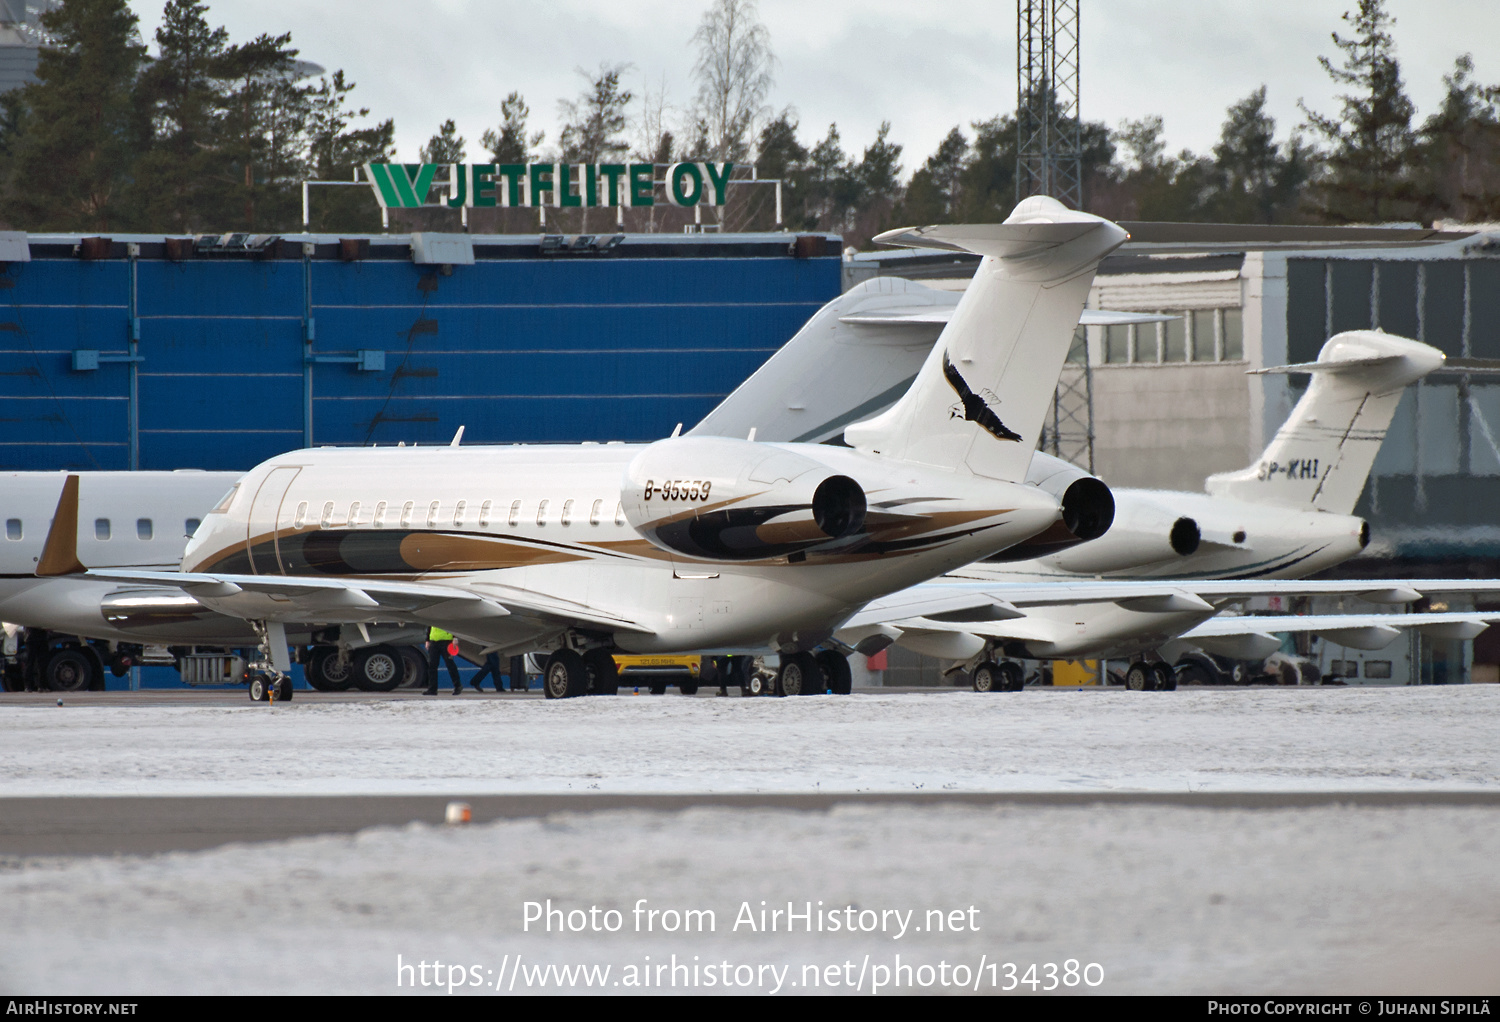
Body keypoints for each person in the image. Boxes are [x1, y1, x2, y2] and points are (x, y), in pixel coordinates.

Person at [424, 626, 462, 695]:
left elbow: (452, 623)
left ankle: (458, 686)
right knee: (432, 666)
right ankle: (432, 689)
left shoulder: (446, 614)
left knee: (450, 664)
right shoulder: (432, 615)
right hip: (433, 641)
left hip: (446, 641)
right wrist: (427, 640)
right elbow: (429, 625)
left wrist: (455, 637)